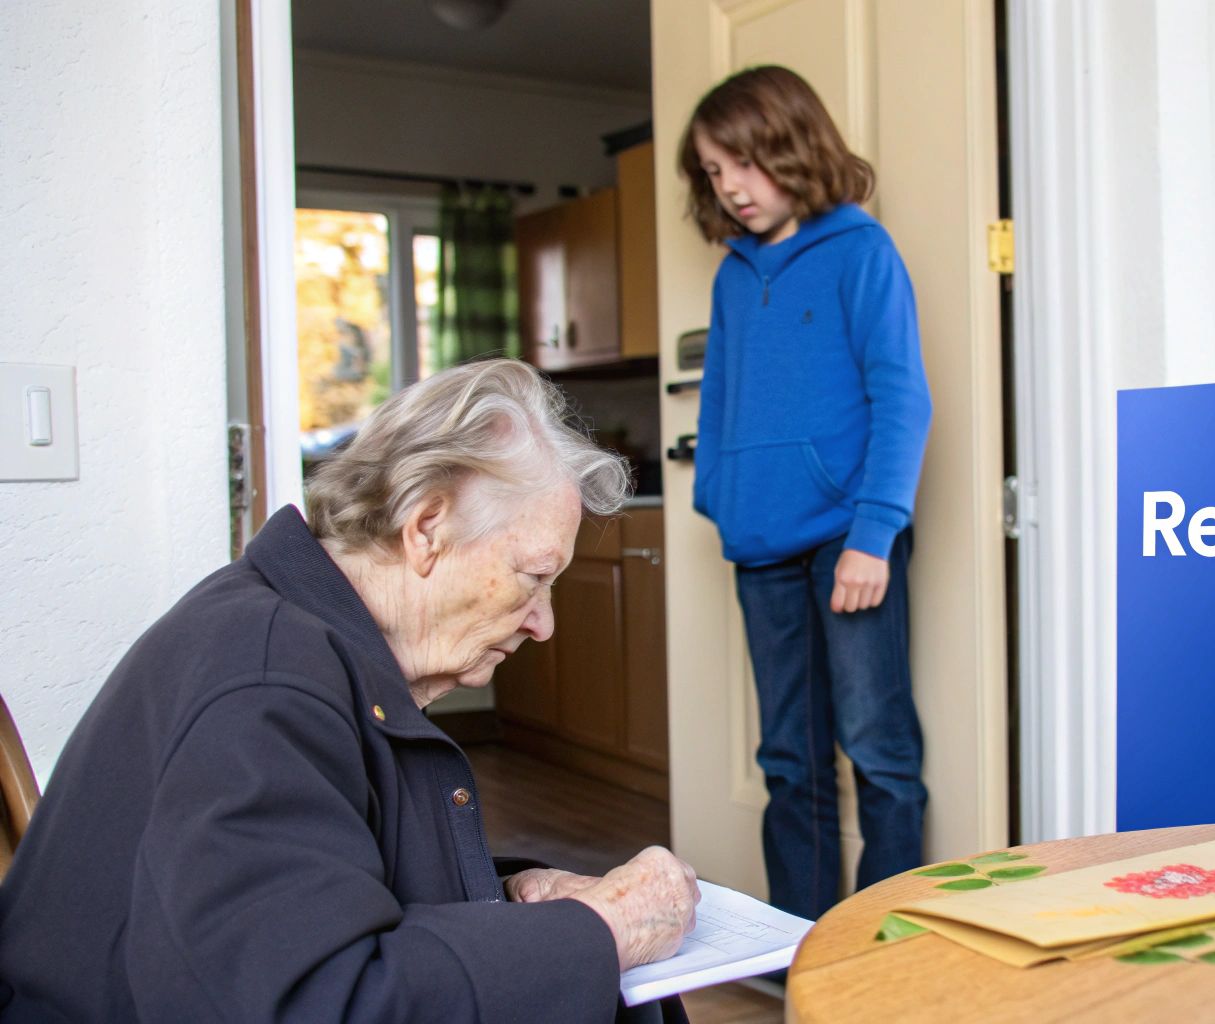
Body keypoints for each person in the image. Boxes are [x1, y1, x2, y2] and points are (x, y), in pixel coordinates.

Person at [0, 360, 699, 1022]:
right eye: (533, 576)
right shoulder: (268, 680)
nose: (542, 623)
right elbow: (312, 1002)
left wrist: (513, 891)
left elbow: (325, 890)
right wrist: (602, 931)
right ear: (426, 528)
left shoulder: (306, 640)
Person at [679, 65, 934, 922]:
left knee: (878, 748)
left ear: (790, 146)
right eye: (715, 172)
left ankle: (882, 950)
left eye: (743, 163)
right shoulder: (732, 276)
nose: (731, 188)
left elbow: (902, 397)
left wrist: (875, 532)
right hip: (761, 542)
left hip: (848, 539)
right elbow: (720, 399)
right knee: (788, 757)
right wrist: (722, 493)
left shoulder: (860, 251)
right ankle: (799, 945)